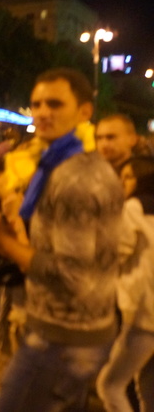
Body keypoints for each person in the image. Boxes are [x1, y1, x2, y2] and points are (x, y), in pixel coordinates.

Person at [0, 68, 124, 410]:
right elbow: (54, 251)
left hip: (61, 340)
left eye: (55, 104)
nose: (42, 112)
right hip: (72, 332)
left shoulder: (75, 178)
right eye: (36, 104)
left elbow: (71, 274)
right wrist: (4, 233)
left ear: (84, 112)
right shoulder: (60, 165)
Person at [97, 157, 154, 411]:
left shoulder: (133, 207)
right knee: (148, 387)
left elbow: (118, 251)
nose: (122, 183)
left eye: (128, 177)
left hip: (143, 313)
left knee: (110, 385)